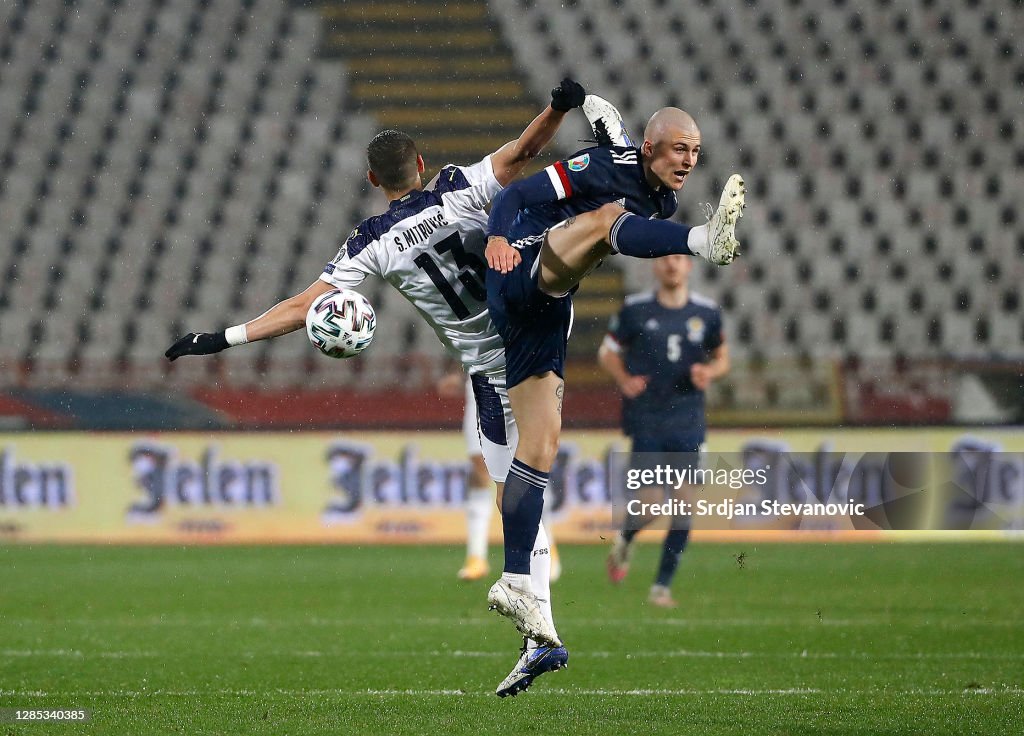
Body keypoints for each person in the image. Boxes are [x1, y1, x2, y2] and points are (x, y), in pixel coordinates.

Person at [164, 79, 592, 697]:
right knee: (522, 482)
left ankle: (537, 627)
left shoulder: (370, 242)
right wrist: (557, 106)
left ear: (372, 181)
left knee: (516, 487)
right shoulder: (456, 186)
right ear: (420, 166)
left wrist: (222, 338)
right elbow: (522, 151)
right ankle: (539, 637)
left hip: (496, 366)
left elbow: (304, 306)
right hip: (535, 319)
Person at [480, 100, 746, 626]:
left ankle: (513, 578)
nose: (689, 160)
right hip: (519, 265)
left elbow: (626, 177)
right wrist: (496, 237)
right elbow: (515, 193)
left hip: (547, 307)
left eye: (695, 151)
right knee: (606, 223)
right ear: (648, 149)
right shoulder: (604, 168)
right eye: (679, 148)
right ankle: (703, 241)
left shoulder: (661, 200)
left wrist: (608, 129)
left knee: (540, 445)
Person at [598, 254, 729, 607]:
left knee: (685, 506)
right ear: (656, 267)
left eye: (679, 260)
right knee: (652, 505)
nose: (672, 265)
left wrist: (710, 373)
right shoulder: (635, 309)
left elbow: (722, 357)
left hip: (688, 419)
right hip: (647, 418)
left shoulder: (707, 312)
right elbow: (607, 352)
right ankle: (626, 537)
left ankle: (662, 586)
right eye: (666, 259)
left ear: (689, 267)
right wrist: (623, 378)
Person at [437, 371, 561, 583]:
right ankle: (476, 556)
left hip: (521, 380)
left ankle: (547, 546)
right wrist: (459, 375)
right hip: (481, 382)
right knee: (479, 467)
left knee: (531, 462)